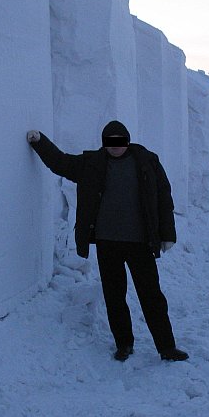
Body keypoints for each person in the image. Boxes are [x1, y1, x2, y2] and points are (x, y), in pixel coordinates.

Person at [26, 121, 189, 362]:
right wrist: (40, 142)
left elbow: (163, 197)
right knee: (114, 296)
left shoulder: (147, 161)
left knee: (151, 295)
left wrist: (167, 234)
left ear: (127, 140)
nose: (115, 147)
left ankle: (166, 347)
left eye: (119, 141)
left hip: (140, 242)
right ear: (104, 143)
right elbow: (60, 163)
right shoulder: (92, 164)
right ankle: (123, 344)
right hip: (107, 242)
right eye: (110, 142)